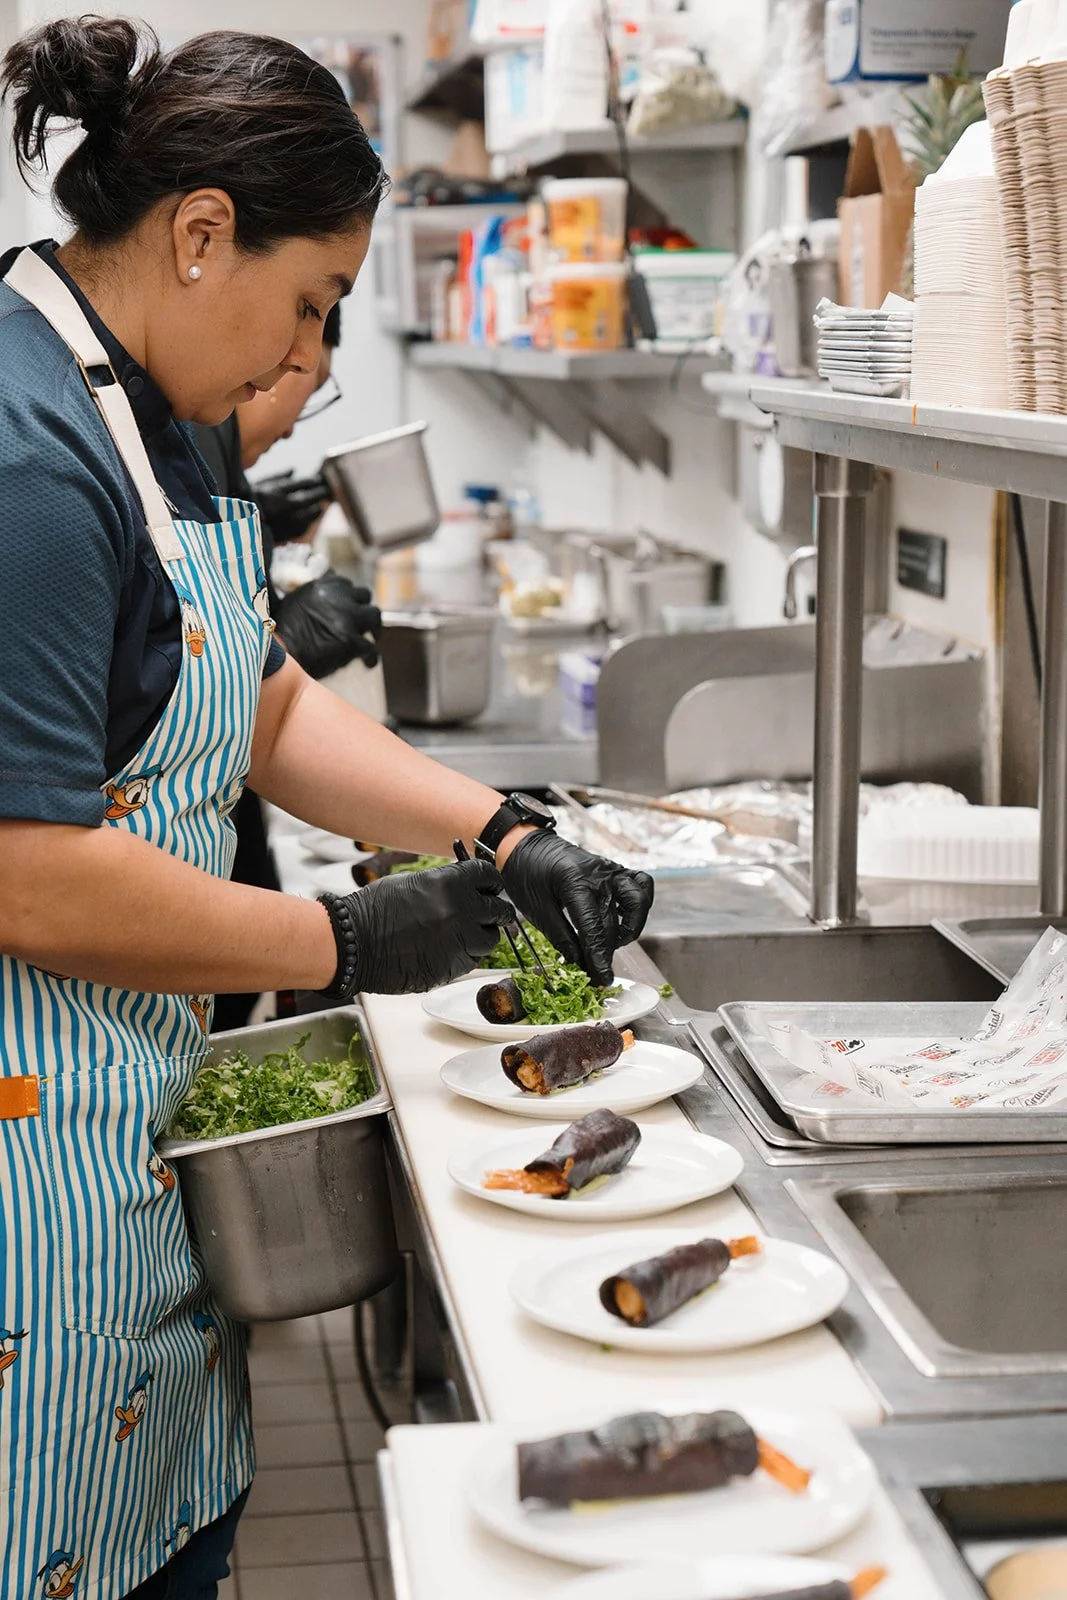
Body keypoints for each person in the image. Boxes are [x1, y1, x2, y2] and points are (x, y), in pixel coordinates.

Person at [0, 18, 653, 1600]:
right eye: (311, 304)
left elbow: (254, 703)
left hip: (116, 1149)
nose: (309, 358)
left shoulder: (132, 408)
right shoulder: (27, 455)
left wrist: (497, 829)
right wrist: (344, 938)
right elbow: (23, 873)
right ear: (200, 233)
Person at [196, 303, 384, 1031]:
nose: (297, 416)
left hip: (222, 869)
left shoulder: (200, 448)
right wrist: (291, 639)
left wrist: (503, 831)